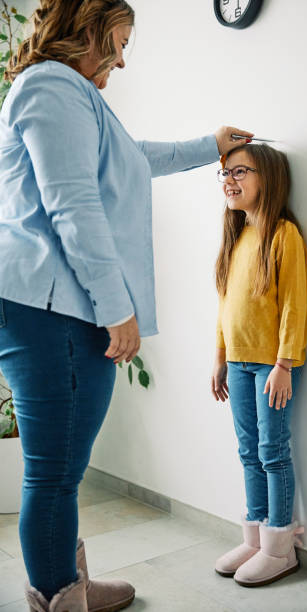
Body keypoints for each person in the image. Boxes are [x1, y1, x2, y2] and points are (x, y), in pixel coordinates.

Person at [0, 1, 253, 610]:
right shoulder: (52, 87)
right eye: (120, 39)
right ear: (91, 27)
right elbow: (74, 207)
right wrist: (119, 309)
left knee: (60, 467)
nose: (121, 56)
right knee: (56, 471)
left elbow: (131, 159)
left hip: (50, 306)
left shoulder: (66, 94)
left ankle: (66, 582)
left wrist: (209, 144)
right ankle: (61, 597)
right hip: (53, 309)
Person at [211, 143, 307, 588]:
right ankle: (254, 537)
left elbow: (293, 304)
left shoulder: (284, 234)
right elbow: (225, 308)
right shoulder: (236, 237)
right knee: (248, 452)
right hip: (237, 362)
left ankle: (279, 548)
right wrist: (219, 359)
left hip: (271, 366)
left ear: (267, 178)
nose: (229, 180)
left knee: (272, 452)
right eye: (225, 173)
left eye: (240, 171)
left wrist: (285, 363)